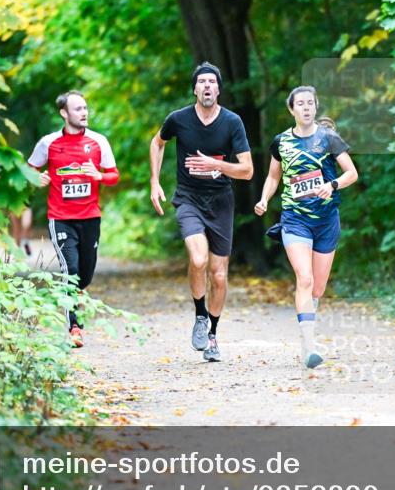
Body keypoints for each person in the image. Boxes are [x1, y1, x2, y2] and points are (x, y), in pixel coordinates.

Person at [149, 62, 253, 362]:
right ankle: (199, 315)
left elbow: (247, 171)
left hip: (221, 202)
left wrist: (216, 165)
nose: (207, 86)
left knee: (219, 275)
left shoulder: (232, 123)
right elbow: (157, 143)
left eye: (212, 82)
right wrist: (155, 181)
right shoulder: (179, 119)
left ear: (218, 89)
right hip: (188, 199)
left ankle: (212, 336)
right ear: (195, 89)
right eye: (202, 82)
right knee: (198, 259)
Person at [254, 86, 358, 368]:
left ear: (315, 106)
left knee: (318, 288)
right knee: (305, 278)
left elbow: (352, 173)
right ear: (292, 109)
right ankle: (310, 345)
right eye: (300, 104)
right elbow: (273, 177)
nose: (306, 108)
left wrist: (331, 184)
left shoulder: (328, 138)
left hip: (326, 220)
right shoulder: (281, 142)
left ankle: (308, 328)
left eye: (310, 103)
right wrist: (264, 199)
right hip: (295, 219)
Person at [28, 90, 119, 348]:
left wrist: (99, 176)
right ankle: (75, 327)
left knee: (85, 275)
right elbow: (29, 169)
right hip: (61, 218)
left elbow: (114, 175)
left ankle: (76, 297)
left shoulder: (99, 142)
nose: (84, 112)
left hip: (90, 217)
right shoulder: (49, 143)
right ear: (64, 113)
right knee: (71, 270)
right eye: (78, 109)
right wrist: (37, 178)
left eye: (85, 108)